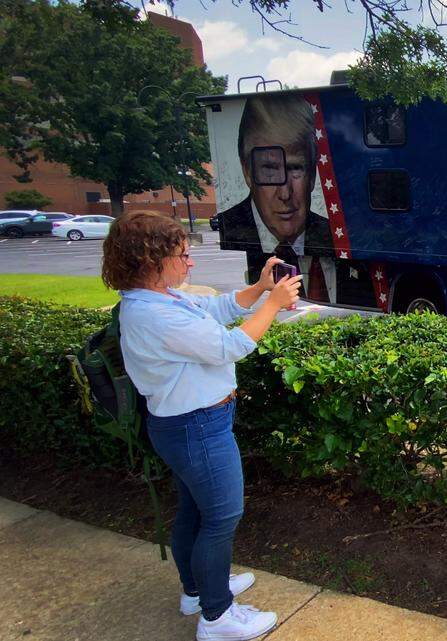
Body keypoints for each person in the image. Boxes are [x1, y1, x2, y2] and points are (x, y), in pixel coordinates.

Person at [103, 211, 302, 641]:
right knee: (222, 517)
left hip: (187, 426)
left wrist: (259, 289)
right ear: (149, 260)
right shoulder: (154, 315)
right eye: (182, 255)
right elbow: (231, 345)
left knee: (195, 511)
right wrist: (272, 304)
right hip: (197, 428)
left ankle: (197, 591)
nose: (189, 262)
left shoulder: (157, 299)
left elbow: (214, 308)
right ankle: (217, 618)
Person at [217, 93, 336, 303]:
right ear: (247, 172)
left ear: (313, 174)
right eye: (269, 171)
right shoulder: (233, 225)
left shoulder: (336, 235)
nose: (285, 193)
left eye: (295, 169)